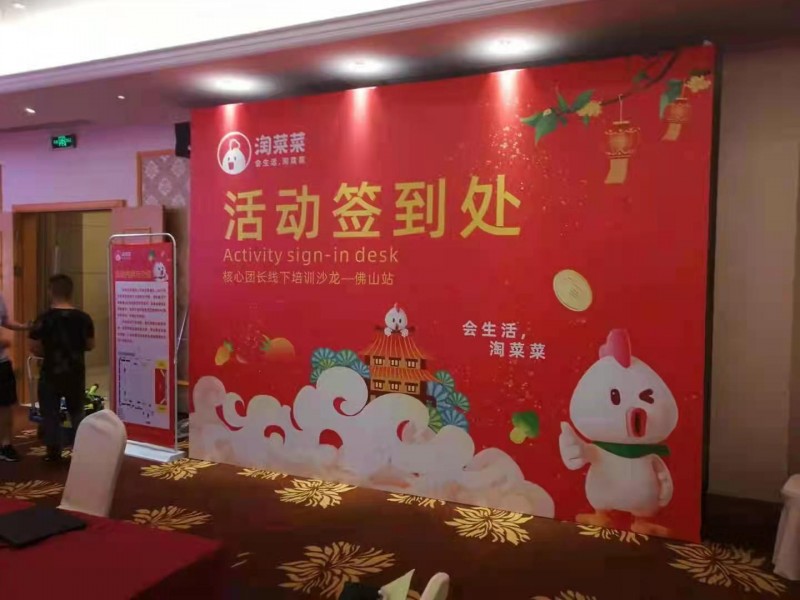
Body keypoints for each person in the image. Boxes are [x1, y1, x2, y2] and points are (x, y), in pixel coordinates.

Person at [29, 274, 95, 462]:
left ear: (51, 291)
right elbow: (90, 345)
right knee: (77, 412)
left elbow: (34, 347)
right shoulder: (84, 318)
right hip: (75, 372)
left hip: (51, 372)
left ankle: (53, 453)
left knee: (50, 412)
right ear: (70, 292)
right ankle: (82, 451)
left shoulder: (43, 318)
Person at [0, 296, 31, 462]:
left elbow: (5, 320)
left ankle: (6, 445)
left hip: (2, 363)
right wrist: (3, 342)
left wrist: (23, 327)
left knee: (6, 404)